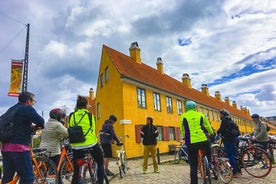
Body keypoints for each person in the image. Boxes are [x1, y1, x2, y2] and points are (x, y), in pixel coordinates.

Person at [1, 91, 45, 184]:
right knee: (27, 178)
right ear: (29, 100)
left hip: (5, 148)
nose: (33, 103)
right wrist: (34, 127)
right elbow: (41, 121)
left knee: (7, 179)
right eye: (33, 101)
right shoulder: (27, 108)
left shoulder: (12, 109)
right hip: (19, 148)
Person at [68, 96, 105, 184]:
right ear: (86, 105)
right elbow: (93, 129)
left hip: (76, 146)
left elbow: (70, 128)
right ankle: (100, 182)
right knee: (100, 162)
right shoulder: (90, 115)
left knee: (76, 168)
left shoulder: (72, 115)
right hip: (90, 144)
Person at [180, 100, 214, 184]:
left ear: (186, 108)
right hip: (202, 139)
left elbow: (182, 128)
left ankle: (194, 182)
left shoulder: (183, 116)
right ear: (195, 107)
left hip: (191, 141)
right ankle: (209, 163)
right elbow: (207, 126)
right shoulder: (200, 114)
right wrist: (212, 133)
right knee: (208, 149)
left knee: (193, 164)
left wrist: (184, 136)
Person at [217, 109, 241, 178]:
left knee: (230, 155)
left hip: (227, 140)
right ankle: (239, 170)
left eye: (220, 114)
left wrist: (217, 133)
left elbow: (221, 129)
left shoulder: (224, 121)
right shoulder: (230, 120)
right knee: (234, 155)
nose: (219, 116)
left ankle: (234, 171)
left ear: (223, 114)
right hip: (233, 139)